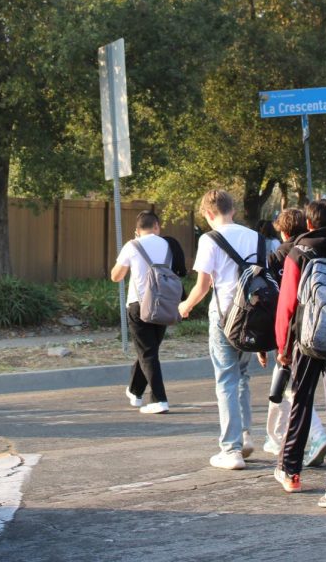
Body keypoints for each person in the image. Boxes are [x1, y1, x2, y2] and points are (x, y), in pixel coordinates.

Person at [272, 199, 326, 508]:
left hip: (307, 340)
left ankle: (291, 473)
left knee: (301, 403)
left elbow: (287, 305)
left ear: (308, 224)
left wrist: (283, 346)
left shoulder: (299, 252)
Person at [178, 189, 263, 471]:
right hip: (253, 316)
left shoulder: (209, 239)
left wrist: (185, 306)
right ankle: (246, 435)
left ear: (208, 214)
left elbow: (203, 286)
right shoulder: (256, 237)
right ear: (232, 210)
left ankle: (231, 449)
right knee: (243, 376)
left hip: (225, 316)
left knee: (226, 378)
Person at [262, 207, 326, 469]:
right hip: (321, 324)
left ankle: (316, 436)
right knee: (282, 387)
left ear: (283, 230)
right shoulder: (315, 251)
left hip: (290, 329)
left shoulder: (279, 256)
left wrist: (275, 341)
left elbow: (276, 299)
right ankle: (276, 437)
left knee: (292, 388)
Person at [110, 211, 173, 415]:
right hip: (163, 303)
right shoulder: (167, 244)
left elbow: (116, 276)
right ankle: (135, 391)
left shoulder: (132, 245)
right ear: (157, 226)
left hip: (139, 304)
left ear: (137, 230)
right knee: (150, 350)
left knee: (147, 352)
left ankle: (159, 399)